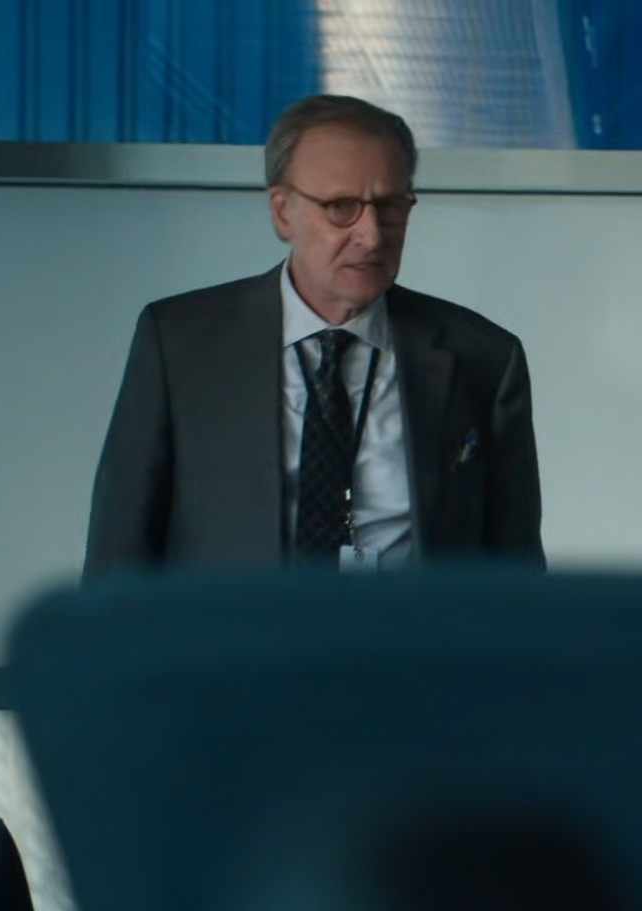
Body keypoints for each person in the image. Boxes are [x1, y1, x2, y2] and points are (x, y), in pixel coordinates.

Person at [84, 94, 544, 577]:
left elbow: (516, 579)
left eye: (390, 206)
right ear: (283, 212)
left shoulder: (483, 360)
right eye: (342, 207)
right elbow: (116, 565)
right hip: (231, 629)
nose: (372, 236)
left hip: (409, 628)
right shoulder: (180, 344)